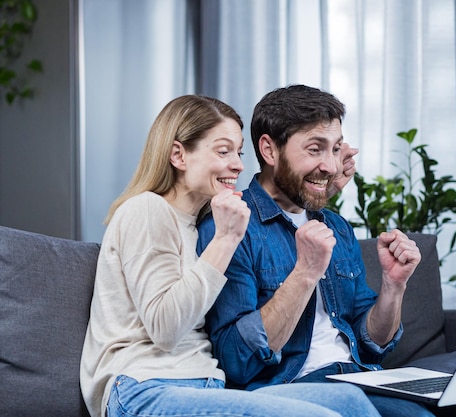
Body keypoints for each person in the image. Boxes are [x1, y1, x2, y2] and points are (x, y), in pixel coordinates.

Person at [197, 85, 456, 417]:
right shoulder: (232, 226)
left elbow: (372, 343)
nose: (330, 166)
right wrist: (305, 273)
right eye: (315, 149)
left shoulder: (336, 227)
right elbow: (237, 360)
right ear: (269, 149)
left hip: (363, 378)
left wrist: (394, 287)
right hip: (293, 387)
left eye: (335, 149)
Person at [79, 94, 383, 417]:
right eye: (223, 151)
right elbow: (165, 330)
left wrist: (320, 183)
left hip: (206, 387)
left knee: (351, 402)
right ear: (179, 155)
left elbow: (274, 220)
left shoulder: (197, 226)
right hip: (144, 388)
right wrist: (226, 239)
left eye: (238, 152)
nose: (238, 164)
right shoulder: (147, 210)